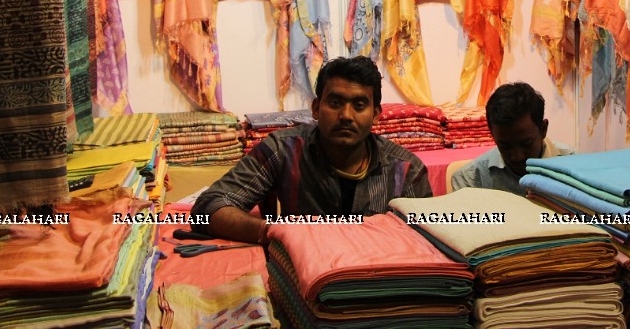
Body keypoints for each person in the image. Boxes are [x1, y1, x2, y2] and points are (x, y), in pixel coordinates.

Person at [191, 56, 432, 244]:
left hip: (379, 283)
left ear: (376, 115)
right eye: (335, 103)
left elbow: (429, 237)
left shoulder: (406, 169)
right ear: (316, 108)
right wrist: (275, 232)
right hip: (300, 278)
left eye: (359, 105)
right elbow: (208, 208)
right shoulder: (283, 149)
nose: (346, 116)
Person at [451, 82, 573, 196]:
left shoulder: (573, 166)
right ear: (492, 136)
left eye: (526, 143)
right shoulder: (470, 182)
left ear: (543, 129)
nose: (517, 156)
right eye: (505, 146)